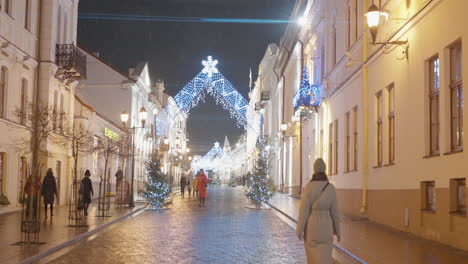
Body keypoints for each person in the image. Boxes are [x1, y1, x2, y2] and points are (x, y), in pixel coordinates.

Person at [296, 158, 340, 264]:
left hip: (312, 229)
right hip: (327, 229)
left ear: (314, 170)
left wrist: (299, 230)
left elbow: (303, 212)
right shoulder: (331, 188)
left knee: (312, 259)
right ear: (324, 170)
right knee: (325, 258)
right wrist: (338, 232)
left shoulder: (308, 188)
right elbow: (335, 213)